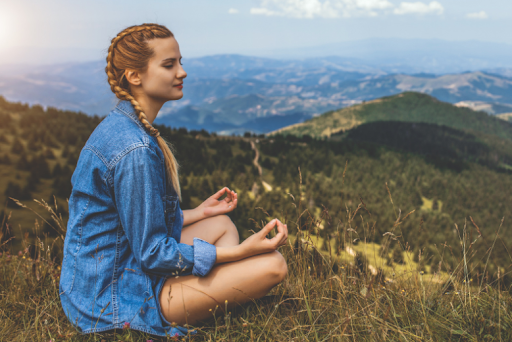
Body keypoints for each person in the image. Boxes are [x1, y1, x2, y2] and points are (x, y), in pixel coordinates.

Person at [59, 23, 288, 338]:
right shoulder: (134, 149)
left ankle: (206, 296)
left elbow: (134, 224)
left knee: (222, 224)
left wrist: (200, 213)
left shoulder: (125, 127)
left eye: (180, 62)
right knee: (273, 265)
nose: (182, 72)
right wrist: (241, 253)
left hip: (102, 279)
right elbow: (152, 253)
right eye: (169, 64)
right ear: (134, 76)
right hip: (112, 301)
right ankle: (200, 302)